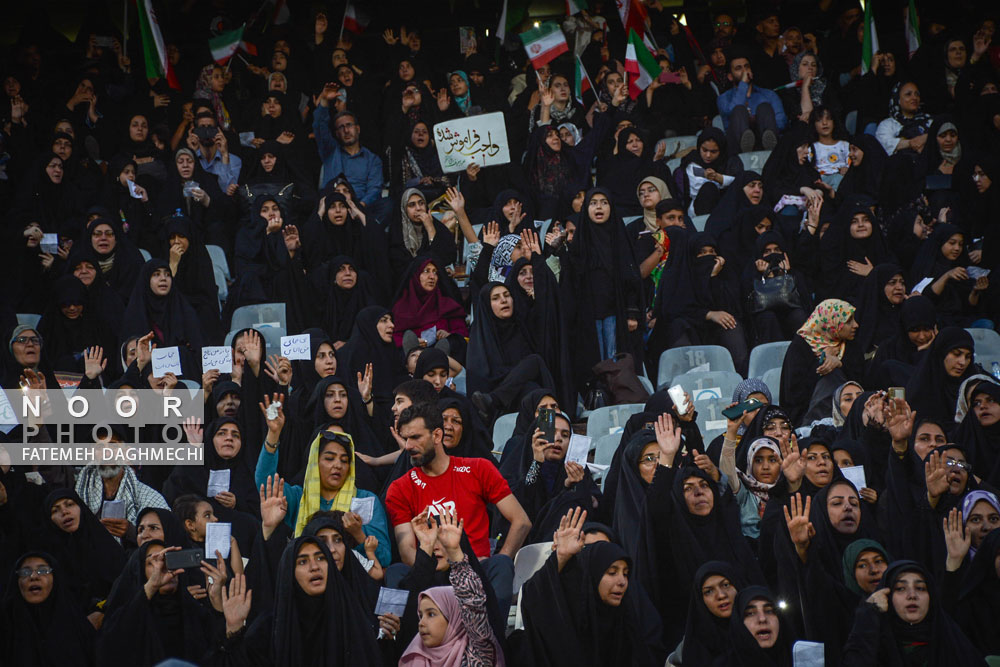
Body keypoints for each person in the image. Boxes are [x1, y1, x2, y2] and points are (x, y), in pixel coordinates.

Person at [385, 403, 530, 617]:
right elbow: (407, 553)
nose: (407, 446)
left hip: (475, 570)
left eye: (415, 437)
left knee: (500, 565)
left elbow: (521, 521)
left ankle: (491, 643)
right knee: (396, 572)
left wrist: (497, 557)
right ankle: (397, 642)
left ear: (436, 435)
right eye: (405, 438)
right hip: (430, 573)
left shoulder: (478, 469)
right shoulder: (399, 488)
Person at [516, 507, 666, 666]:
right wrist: (560, 557)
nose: (622, 581)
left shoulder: (630, 601)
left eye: (625, 573)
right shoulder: (564, 600)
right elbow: (534, 599)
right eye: (585, 549)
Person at [399, 510, 505, 666]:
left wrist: (454, 551)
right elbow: (407, 625)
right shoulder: (415, 658)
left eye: (441, 540)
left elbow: (474, 606)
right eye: (422, 615)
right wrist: (425, 547)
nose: (422, 623)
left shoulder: (476, 653)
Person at [0, 551, 96, 666]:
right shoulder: (6, 626)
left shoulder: (77, 626)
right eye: (25, 572)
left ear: (55, 579)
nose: (34, 577)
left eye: (43, 571)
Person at [716, 51, 787, 153]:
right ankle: (747, 146)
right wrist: (743, 85)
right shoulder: (723, 98)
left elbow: (782, 122)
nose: (744, 71)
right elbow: (730, 113)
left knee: (764, 108)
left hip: (765, 138)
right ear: (730, 77)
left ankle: (769, 148)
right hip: (737, 145)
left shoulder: (768, 94)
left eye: (746, 67)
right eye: (738, 68)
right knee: (739, 110)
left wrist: (759, 121)